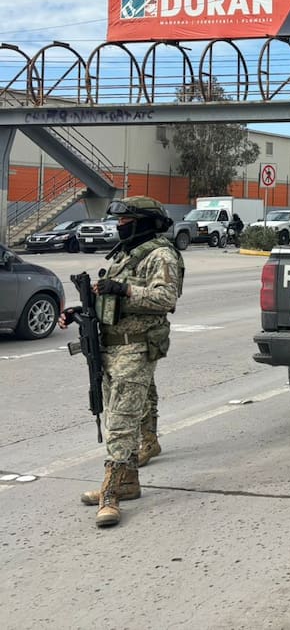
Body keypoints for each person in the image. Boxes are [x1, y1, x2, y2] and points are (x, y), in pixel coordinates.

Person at [65, 196, 183, 527]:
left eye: (125, 221)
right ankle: (128, 482)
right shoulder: (125, 256)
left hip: (136, 350)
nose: (119, 226)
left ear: (143, 222)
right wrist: (80, 311)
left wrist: (126, 290)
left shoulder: (161, 255)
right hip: (111, 348)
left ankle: (111, 494)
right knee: (115, 415)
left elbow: (166, 298)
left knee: (120, 423)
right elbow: (110, 300)